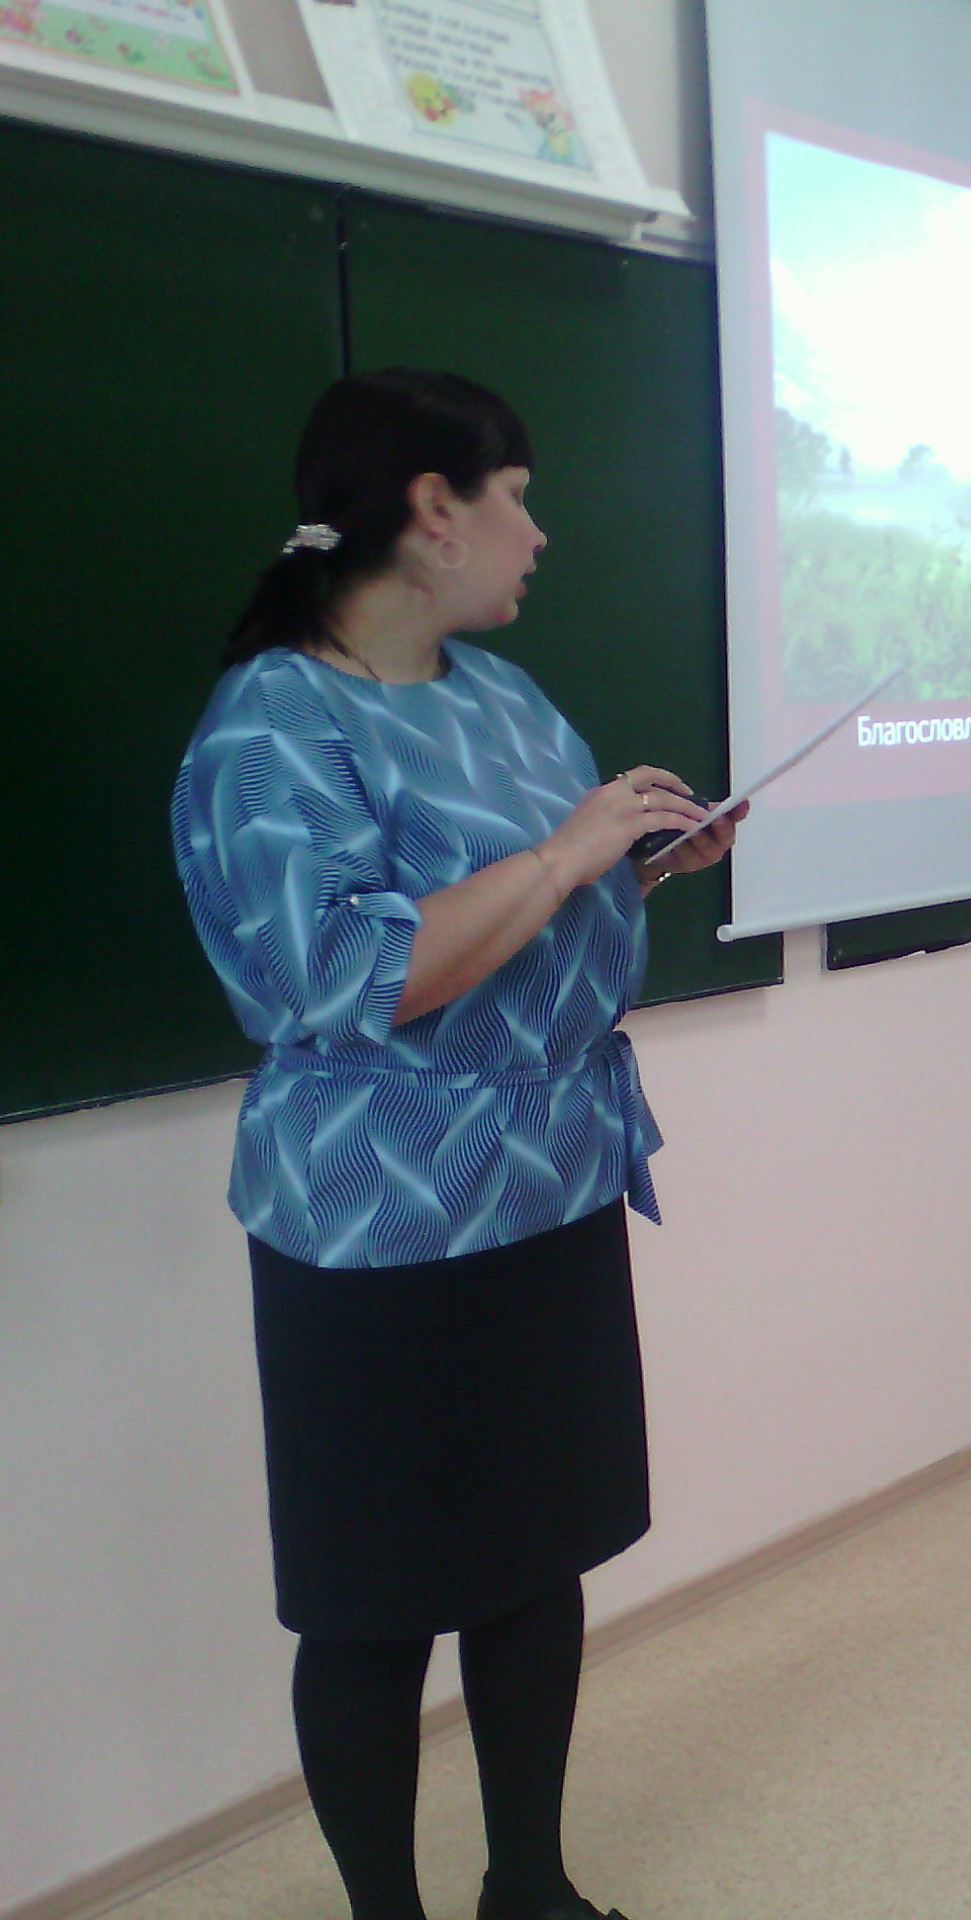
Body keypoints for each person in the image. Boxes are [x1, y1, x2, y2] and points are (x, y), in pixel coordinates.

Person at [170, 369, 742, 1920]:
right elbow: (353, 977)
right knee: (375, 1608)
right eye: (517, 502)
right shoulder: (271, 725)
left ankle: (529, 1888)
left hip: (547, 1181)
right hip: (378, 1222)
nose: (539, 537)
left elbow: (529, 917)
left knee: (533, 1561)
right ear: (434, 512)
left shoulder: (502, 695)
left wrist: (643, 865)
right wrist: (565, 853)